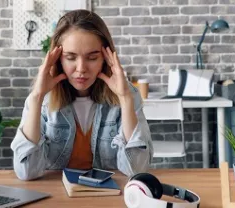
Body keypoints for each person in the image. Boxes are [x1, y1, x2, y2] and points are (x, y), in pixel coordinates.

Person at [11, 9, 153, 180]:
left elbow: (136, 170)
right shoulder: (42, 99)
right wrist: (36, 97)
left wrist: (125, 98)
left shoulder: (128, 95)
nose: (81, 69)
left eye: (92, 58)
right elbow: (26, 172)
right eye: (70, 57)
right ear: (58, 59)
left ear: (106, 58)